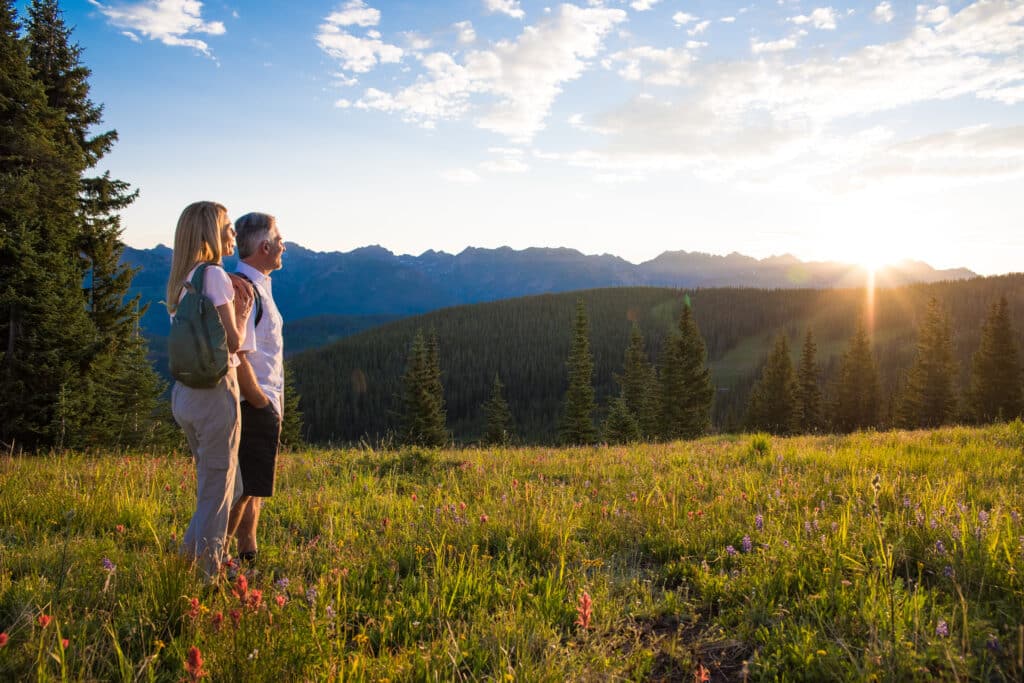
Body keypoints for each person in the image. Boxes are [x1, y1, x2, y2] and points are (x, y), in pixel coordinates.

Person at [166, 201, 254, 578]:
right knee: (219, 491)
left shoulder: (183, 279)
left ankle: (187, 561)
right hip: (216, 392)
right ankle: (207, 576)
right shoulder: (215, 276)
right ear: (212, 232)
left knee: (221, 486)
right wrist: (244, 309)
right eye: (229, 227)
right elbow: (233, 342)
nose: (234, 234)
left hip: (184, 394)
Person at [227, 212, 286, 567]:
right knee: (242, 488)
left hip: (265, 400)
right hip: (253, 401)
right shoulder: (243, 289)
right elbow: (237, 352)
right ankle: (218, 561)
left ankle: (247, 550)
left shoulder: (260, 283)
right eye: (279, 239)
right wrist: (260, 402)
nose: (283, 245)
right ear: (265, 246)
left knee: (255, 484)